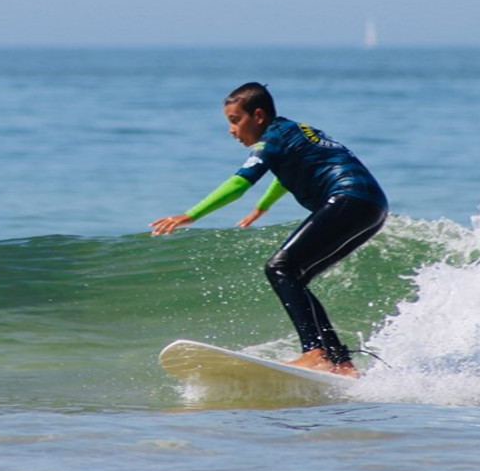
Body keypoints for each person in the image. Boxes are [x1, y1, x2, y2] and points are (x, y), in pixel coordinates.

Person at [150, 83, 388, 378]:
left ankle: (315, 353)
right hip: (371, 206)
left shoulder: (270, 140)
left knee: (279, 268)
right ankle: (341, 363)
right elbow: (288, 172)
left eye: (235, 120)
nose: (231, 130)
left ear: (258, 115)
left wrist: (190, 215)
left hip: (348, 199)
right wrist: (263, 207)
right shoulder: (292, 131)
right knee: (295, 276)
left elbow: (239, 183)